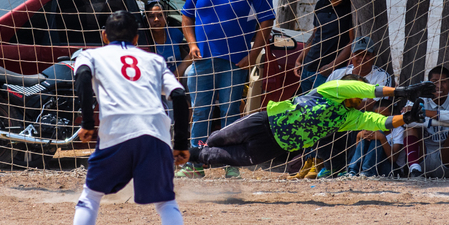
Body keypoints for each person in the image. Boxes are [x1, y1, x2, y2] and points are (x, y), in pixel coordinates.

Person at [61, 11, 196, 225]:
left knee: (90, 198)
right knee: (166, 201)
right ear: (137, 38)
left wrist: (87, 122)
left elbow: (83, 79)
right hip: (156, 132)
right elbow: (180, 96)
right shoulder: (155, 60)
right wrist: (181, 143)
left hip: (117, 131)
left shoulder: (90, 55)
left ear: (104, 35)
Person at [180, 0, 275, 179]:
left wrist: (253, 55)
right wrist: (192, 45)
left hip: (234, 62)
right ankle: (195, 162)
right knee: (200, 111)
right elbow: (187, 16)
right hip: (203, 62)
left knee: (230, 113)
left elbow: (267, 20)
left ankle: (231, 164)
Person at [185, 78, 436, 168]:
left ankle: (184, 156)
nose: (364, 99)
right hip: (265, 122)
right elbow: (364, 87)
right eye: (361, 96)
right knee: (216, 138)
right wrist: (401, 91)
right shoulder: (331, 90)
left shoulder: (349, 117)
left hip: (274, 147)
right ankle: (186, 150)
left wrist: (407, 118)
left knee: (214, 155)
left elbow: (379, 122)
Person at [291, 36, 392, 179]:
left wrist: (343, 104)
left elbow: (375, 106)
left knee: (357, 122)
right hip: (336, 116)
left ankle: (349, 168)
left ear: (373, 56)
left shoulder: (382, 76)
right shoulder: (338, 74)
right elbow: (323, 99)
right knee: (314, 121)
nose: (362, 58)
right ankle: (326, 164)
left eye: (367, 54)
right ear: (352, 55)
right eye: (358, 54)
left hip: (361, 118)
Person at [403, 66, 449, 179]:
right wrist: (444, 121)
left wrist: (425, 113)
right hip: (422, 156)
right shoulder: (418, 99)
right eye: (434, 82)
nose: (439, 86)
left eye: (443, 82)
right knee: (410, 128)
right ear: (428, 84)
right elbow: (405, 121)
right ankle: (414, 171)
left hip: (447, 158)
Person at [295, 0, 355, 93]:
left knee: (318, 108)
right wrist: (299, 60)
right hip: (308, 68)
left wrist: (332, 66)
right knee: (305, 107)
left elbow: (352, 41)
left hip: (327, 72)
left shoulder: (351, 8)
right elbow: (315, 35)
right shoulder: (321, 4)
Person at [145, 0, 188, 79]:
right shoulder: (145, 38)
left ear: (166, 16)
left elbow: (182, 53)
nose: (156, 19)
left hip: (179, 77)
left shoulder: (175, 33)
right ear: (146, 19)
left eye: (160, 15)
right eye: (151, 16)